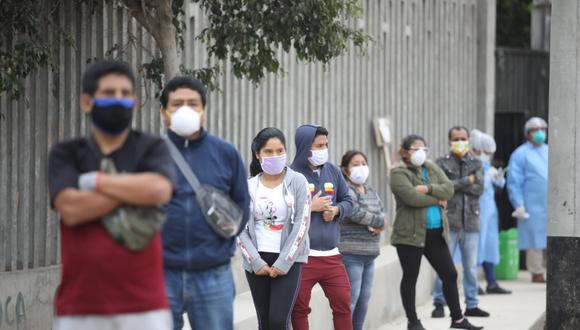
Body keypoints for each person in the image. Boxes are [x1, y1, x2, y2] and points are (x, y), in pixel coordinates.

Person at [48, 60, 176, 330]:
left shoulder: (152, 148)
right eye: (108, 93)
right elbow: (70, 208)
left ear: (135, 102)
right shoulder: (67, 153)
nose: (118, 100)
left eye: (125, 93)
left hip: (146, 308)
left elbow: (160, 189)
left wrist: (94, 181)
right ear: (87, 102)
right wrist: (135, 189)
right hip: (80, 309)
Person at [160, 76, 250, 329]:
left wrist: (219, 242)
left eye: (193, 103)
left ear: (203, 112)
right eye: (177, 104)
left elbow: (242, 204)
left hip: (213, 274)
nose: (186, 109)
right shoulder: (148, 154)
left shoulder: (225, 153)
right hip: (159, 274)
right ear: (164, 113)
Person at [390, 134, 482, 330]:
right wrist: (436, 198)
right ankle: (413, 321)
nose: (420, 152)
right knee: (410, 277)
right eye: (415, 149)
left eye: (423, 148)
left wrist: (428, 188)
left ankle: (457, 319)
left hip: (435, 233)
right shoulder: (399, 173)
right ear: (405, 152)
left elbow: (448, 189)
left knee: (449, 274)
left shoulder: (430, 167)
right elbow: (411, 198)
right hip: (409, 235)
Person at [238, 127, 311, 330]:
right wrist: (255, 261)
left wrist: (284, 262)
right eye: (268, 151)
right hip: (257, 260)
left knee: (279, 320)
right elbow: (239, 227)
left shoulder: (298, 181)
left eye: (280, 150)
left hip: (289, 260)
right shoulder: (249, 186)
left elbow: (302, 223)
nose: (275, 155)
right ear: (257, 154)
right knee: (265, 322)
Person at [290, 124, 354, 330]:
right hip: (302, 258)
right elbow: (283, 211)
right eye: (318, 145)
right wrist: (311, 207)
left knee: (343, 306)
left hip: (332, 257)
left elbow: (348, 201)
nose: (323, 149)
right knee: (299, 309)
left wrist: (336, 211)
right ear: (304, 147)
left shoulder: (333, 170)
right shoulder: (290, 176)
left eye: (325, 144)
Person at [431, 127, 489, 319]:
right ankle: (439, 302)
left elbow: (479, 188)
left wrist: (455, 185)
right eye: (456, 139)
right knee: (444, 265)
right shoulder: (441, 163)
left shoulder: (477, 163)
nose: (460, 141)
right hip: (450, 221)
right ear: (450, 141)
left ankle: (472, 304)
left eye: (463, 138)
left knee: (470, 266)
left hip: (471, 221)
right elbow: (443, 189)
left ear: (469, 141)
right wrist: (467, 181)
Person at [338, 150, 387, 330]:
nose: (361, 168)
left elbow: (382, 211)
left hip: (370, 254)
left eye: (363, 163)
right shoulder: (345, 190)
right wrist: (379, 221)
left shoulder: (371, 190)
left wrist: (379, 221)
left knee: (364, 298)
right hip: (351, 253)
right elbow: (354, 212)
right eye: (355, 164)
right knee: (351, 299)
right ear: (345, 169)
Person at [470, 130, 512, 295]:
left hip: (490, 212)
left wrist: (498, 178)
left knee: (490, 245)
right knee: (475, 248)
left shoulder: (487, 166)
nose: (487, 155)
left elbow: (497, 185)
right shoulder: (470, 165)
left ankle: (491, 282)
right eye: (485, 152)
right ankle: (473, 283)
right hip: (476, 212)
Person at [507, 117, 548, 283]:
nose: (539, 133)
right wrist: (519, 204)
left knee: (553, 236)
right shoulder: (520, 154)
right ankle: (536, 271)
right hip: (532, 203)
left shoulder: (549, 150)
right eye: (535, 129)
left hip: (551, 202)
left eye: (542, 129)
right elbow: (514, 181)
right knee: (534, 237)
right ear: (528, 133)